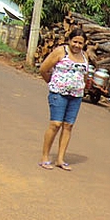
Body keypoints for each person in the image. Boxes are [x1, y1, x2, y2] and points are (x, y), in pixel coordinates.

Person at [38, 28, 88, 171]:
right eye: (75, 41)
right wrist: (52, 83)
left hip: (76, 96)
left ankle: (60, 159)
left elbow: (85, 75)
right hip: (58, 93)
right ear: (69, 40)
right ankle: (45, 157)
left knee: (68, 126)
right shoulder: (61, 52)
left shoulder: (84, 56)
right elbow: (43, 69)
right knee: (55, 124)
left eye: (80, 43)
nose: (77, 45)